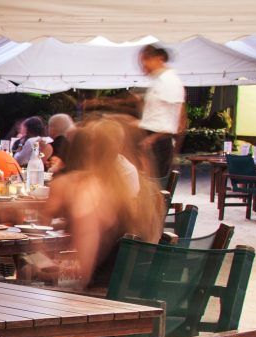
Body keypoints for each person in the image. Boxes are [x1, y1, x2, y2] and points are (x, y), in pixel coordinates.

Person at [40, 116, 164, 289]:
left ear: (90, 149)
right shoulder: (122, 186)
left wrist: (39, 269)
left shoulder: (90, 194)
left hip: (100, 296)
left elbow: (82, 274)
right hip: (127, 290)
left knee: (25, 281)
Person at [137, 43, 186, 181]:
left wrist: (152, 138)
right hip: (151, 139)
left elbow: (178, 120)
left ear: (158, 59)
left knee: (154, 188)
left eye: (145, 62)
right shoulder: (159, 81)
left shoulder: (169, 81)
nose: (143, 68)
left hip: (159, 142)